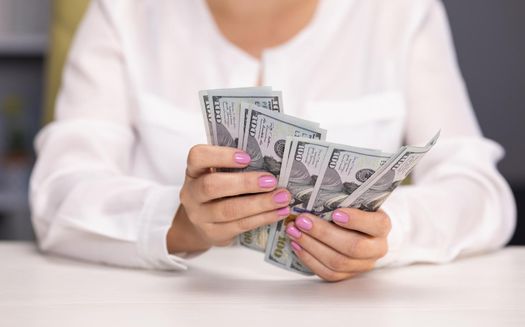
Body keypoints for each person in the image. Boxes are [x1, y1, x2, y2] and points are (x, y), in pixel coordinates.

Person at [30, 0, 516, 281]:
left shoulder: (399, 12)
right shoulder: (124, 11)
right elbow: (58, 191)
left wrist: (388, 234)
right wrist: (179, 223)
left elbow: (480, 190)